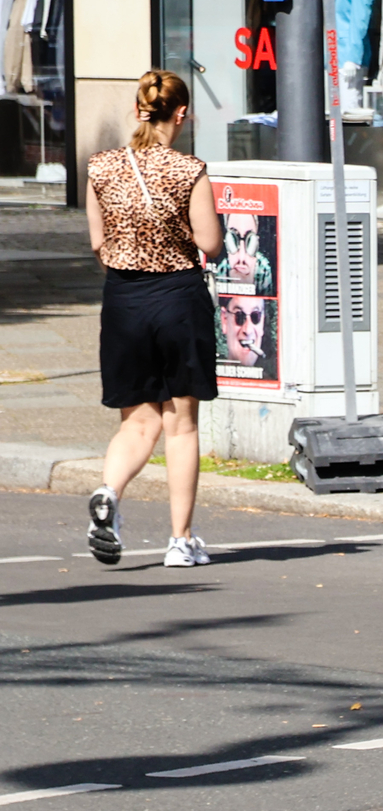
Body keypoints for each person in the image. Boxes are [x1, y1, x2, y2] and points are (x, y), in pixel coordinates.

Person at [84, 69, 221, 568]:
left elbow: (98, 243)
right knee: (180, 425)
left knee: (137, 421)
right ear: (180, 113)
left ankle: (109, 492)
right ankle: (180, 541)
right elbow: (209, 243)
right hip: (177, 299)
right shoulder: (189, 171)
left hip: (123, 301)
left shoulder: (101, 167)